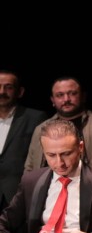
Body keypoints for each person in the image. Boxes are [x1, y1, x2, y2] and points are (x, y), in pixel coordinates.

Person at [25, 76, 92, 171]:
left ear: (83, 96)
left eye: (72, 93)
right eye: (60, 95)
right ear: (52, 100)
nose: (66, 99)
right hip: (52, 180)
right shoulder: (41, 128)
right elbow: (30, 165)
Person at [0, 69, 47, 211]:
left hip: (18, 192)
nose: (2, 91)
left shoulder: (35, 118)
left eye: (8, 87)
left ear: (20, 92)